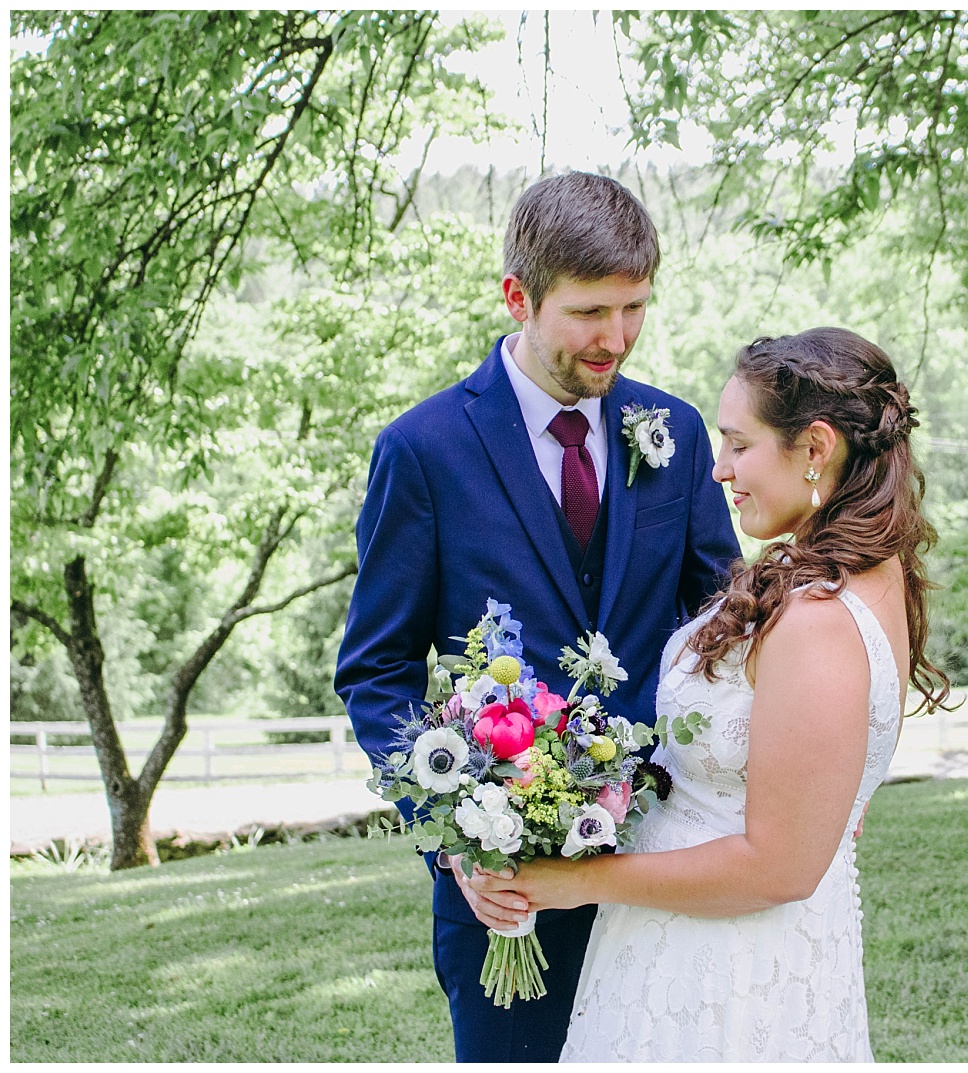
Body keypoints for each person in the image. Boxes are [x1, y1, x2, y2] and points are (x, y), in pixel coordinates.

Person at [334, 171, 742, 1062]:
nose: (618, 337)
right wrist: (452, 837)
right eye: (591, 312)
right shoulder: (423, 448)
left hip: (665, 860)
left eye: (635, 306)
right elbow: (375, 667)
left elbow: (727, 623)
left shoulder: (671, 428)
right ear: (519, 296)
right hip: (504, 886)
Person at [466, 326, 953, 1061]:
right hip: (689, 943)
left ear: (815, 447)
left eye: (738, 443)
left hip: (730, 976)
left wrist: (574, 881)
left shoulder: (819, 621)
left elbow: (778, 865)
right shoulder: (857, 575)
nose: (719, 469)